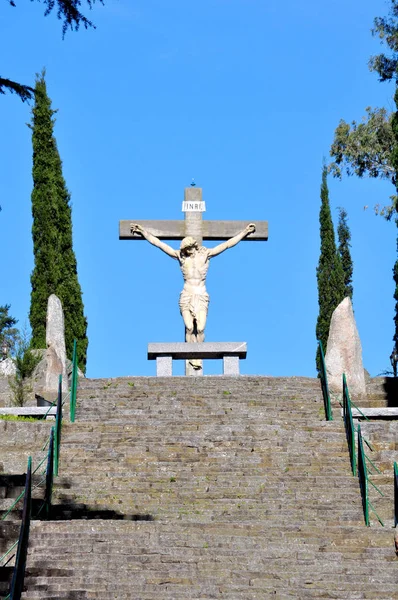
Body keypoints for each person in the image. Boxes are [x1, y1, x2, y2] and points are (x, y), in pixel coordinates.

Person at [130, 222, 256, 351]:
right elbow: (159, 244)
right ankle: (190, 355)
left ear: (194, 246)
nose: (187, 251)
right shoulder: (181, 256)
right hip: (187, 295)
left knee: (200, 328)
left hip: (201, 295)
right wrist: (144, 232)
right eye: (185, 249)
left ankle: (198, 355)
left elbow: (227, 244)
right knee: (189, 327)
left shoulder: (205, 254)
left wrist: (244, 232)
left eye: (189, 248)